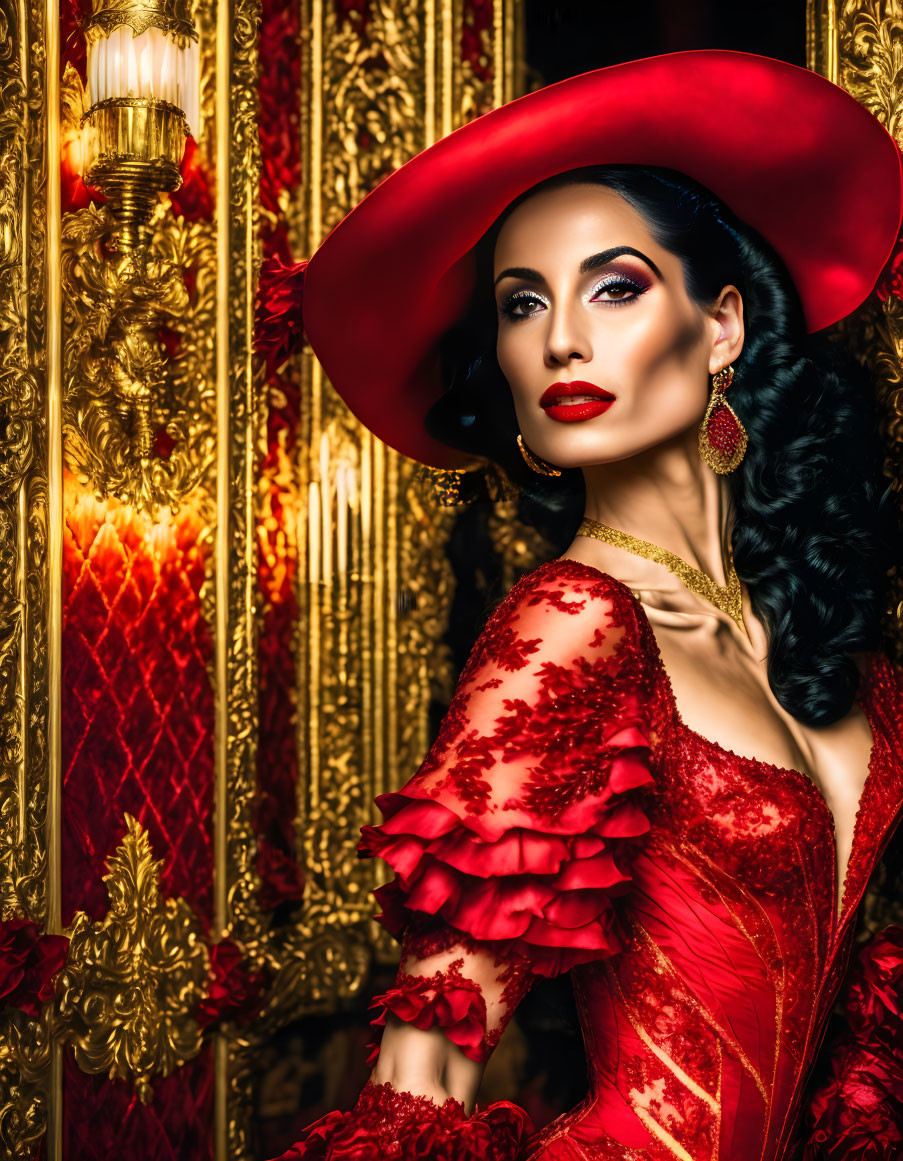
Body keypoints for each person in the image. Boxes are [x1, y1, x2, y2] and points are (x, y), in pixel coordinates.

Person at [270, 51, 903, 1160]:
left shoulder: (830, 645)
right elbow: (426, 1068)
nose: (561, 337)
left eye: (613, 286)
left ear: (721, 327)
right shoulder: (571, 625)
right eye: (524, 304)